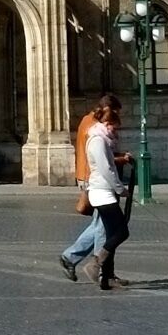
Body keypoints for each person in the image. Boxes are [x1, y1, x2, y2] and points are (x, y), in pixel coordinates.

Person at [60, 96, 125, 277]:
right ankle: (100, 268)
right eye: (116, 112)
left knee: (100, 224)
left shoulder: (89, 122)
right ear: (108, 109)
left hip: (91, 178)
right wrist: (120, 160)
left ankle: (71, 257)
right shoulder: (95, 127)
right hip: (95, 181)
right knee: (105, 227)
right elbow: (100, 160)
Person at [80, 102, 132, 291]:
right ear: (107, 123)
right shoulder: (97, 141)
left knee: (112, 234)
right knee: (121, 232)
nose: (115, 132)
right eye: (114, 127)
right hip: (102, 193)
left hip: (104, 192)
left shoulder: (102, 140)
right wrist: (120, 189)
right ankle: (95, 264)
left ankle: (107, 277)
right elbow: (105, 169)